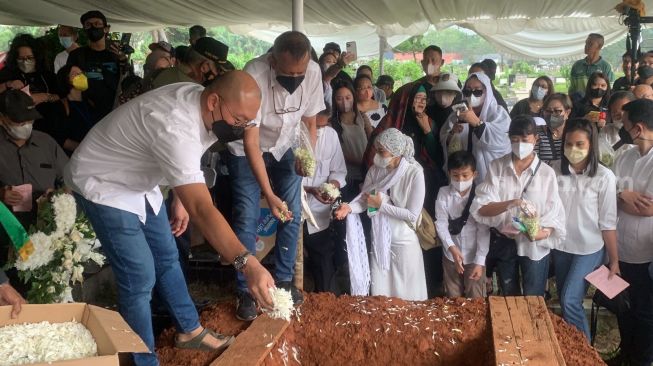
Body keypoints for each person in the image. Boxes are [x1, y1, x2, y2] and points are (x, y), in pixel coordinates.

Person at [65, 72, 275, 366]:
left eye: (247, 122)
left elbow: (187, 159)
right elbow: (202, 207)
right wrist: (247, 263)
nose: (241, 128)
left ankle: (189, 331)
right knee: (139, 276)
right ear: (214, 101)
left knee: (167, 255)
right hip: (103, 181)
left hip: (141, 178)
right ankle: (143, 360)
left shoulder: (200, 100)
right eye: (239, 120)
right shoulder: (174, 125)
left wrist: (180, 195)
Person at [225, 31, 325, 321]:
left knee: (290, 212)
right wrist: (268, 194)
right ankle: (245, 288)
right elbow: (251, 141)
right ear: (272, 60)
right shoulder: (253, 73)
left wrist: (307, 156)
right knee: (246, 213)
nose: (295, 78)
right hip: (247, 148)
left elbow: (309, 121)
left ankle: (282, 281)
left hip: (287, 144)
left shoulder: (314, 72)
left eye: (300, 73)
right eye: (287, 73)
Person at [472, 115, 566, 296]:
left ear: (536, 139)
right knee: (509, 294)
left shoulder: (546, 173)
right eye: (515, 140)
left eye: (525, 139)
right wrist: (511, 203)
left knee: (534, 295)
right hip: (505, 242)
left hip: (534, 246)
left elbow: (555, 214)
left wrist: (541, 233)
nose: (520, 144)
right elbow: (481, 208)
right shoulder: (497, 167)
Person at [334, 128, 427, 301]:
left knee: (408, 293)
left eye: (381, 151)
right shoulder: (376, 170)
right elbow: (365, 199)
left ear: (396, 152)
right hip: (379, 241)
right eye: (377, 150)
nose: (377, 155)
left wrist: (381, 206)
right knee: (382, 293)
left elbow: (412, 215)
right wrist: (349, 208)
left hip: (404, 241)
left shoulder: (414, 172)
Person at [552, 118, 619, 341]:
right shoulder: (553, 170)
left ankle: (585, 354)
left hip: (589, 248)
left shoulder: (604, 176)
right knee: (564, 297)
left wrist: (614, 260)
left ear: (591, 145)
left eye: (580, 144)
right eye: (569, 144)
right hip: (560, 245)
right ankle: (573, 345)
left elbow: (608, 223)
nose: (573, 149)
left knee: (570, 299)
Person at [612, 98, 653, 366]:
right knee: (622, 307)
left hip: (645, 252)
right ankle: (625, 353)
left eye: (624, 124)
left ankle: (644, 358)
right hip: (620, 248)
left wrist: (620, 197)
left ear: (637, 128)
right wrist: (622, 195)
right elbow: (607, 196)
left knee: (644, 311)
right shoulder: (625, 155)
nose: (621, 129)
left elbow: (648, 209)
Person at [0, 90, 68, 229]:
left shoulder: (46, 142)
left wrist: (59, 196)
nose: (26, 125)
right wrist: (1, 194)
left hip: (48, 226)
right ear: (2, 119)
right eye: (20, 121)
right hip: (8, 229)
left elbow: (68, 179)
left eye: (30, 120)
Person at [302, 108, 347, 293]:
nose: (320, 130)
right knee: (292, 259)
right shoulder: (292, 135)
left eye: (324, 125)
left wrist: (332, 186)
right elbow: (283, 179)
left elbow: (339, 170)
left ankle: (327, 300)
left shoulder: (331, 135)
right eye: (315, 125)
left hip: (319, 209)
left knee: (323, 257)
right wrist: (309, 190)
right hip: (293, 205)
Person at [435, 151, 490, 299]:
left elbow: (483, 230)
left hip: (474, 256)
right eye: (455, 175)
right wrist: (452, 248)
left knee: (476, 298)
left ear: (475, 174)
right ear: (449, 174)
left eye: (465, 175)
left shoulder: (480, 196)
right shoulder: (443, 193)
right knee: (453, 297)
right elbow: (441, 223)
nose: (460, 179)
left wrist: (480, 261)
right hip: (451, 255)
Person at [440, 72, 511, 183]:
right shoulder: (457, 113)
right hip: (461, 178)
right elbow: (444, 138)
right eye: (467, 91)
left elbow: (502, 143)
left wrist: (478, 123)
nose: (472, 95)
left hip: (489, 177)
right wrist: (451, 135)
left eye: (477, 91)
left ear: (487, 92)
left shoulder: (498, 114)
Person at [66, 10, 127, 120]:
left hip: (114, 113)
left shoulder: (116, 55)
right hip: (86, 114)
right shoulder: (77, 55)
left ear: (106, 29)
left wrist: (123, 60)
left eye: (97, 24)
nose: (93, 27)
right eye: (88, 25)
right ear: (84, 30)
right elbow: (68, 83)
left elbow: (125, 83)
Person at [331, 81, 373, 201]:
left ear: (353, 97)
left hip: (368, 174)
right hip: (348, 178)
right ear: (334, 101)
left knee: (370, 210)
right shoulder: (333, 123)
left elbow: (372, 140)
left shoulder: (362, 117)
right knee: (350, 210)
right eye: (339, 98)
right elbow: (338, 153)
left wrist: (368, 162)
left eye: (348, 97)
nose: (344, 102)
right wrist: (360, 161)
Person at [53, 64, 100, 154]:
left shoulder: (90, 103)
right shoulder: (61, 106)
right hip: (76, 156)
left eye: (81, 73)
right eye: (75, 74)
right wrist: (85, 150)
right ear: (65, 79)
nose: (81, 76)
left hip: (94, 152)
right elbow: (61, 139)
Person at [568, 33, 614, 102]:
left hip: (596, 106)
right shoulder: (577, 65)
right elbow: (572, 89)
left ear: (599, 47)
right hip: (578, 105)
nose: (586, 46)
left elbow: (608, 90)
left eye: (590, 44)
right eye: (586, 43)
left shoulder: (606, 67)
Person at [535, 93, 572, 164]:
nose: (552, 115)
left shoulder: (573, 133)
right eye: (548, 111)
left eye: (557, 111)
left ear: (567, 113)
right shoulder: (536, 133)